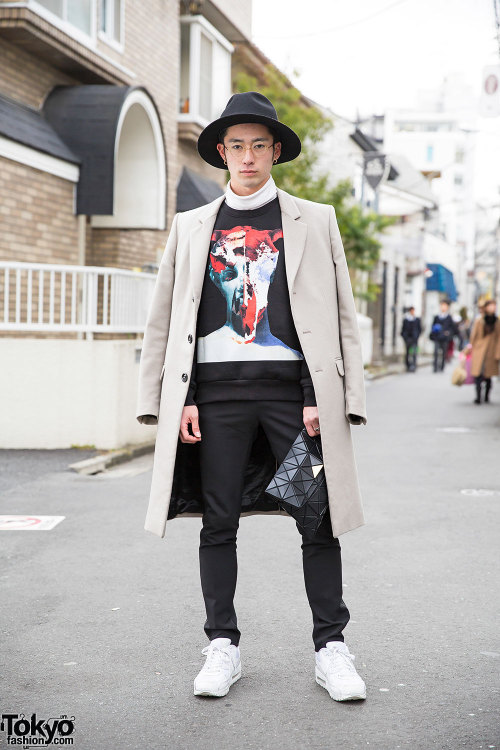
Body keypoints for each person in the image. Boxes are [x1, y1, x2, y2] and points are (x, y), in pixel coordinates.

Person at [136, 92, 368, 702]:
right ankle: (222, 645)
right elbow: (164, 316)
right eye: (235, 146)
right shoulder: (192, 226)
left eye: (258, 145)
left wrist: (331, 393)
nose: (247, 156)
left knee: (317, 520)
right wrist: (170, 397)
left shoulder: (313, 220)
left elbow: (342, 314)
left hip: (295, 400)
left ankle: (332, 648)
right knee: (218, 522)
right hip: (212, 400)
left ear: (275, 152)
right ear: (220, 152)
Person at [469, 299, 500, 404]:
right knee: (478, 374)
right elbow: (474, 335)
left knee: (488, 376)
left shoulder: (497, 321)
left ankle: (486, 396)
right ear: (486, 307)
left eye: (494, 306)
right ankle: (478, 396)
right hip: (479, 350)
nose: (493, 308)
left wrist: (498, 352)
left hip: (491, 351)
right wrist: (470, 348)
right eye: (491, 306)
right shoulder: (480, 320)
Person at [430, 298, 458, 372]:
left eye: (444, 306)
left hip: (445, 338)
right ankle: (435, 367)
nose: (443, 307)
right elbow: (433, 326)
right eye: (442, 306)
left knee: (443, 353)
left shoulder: (449, 318)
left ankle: (442, 366)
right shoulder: (437, 317)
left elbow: (453, 329)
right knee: (436, 352)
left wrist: (448, 333)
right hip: (437, 337)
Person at [401, 306, 421, 371]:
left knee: (414, 353)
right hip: (407, 339)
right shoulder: (406, 320)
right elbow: (403, 329)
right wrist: (405, 337)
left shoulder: (417, 319)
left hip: (414, 339)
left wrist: (417, 336)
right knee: (407, 353)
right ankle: (408, 365)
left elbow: (419, 329)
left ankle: (414, 365)